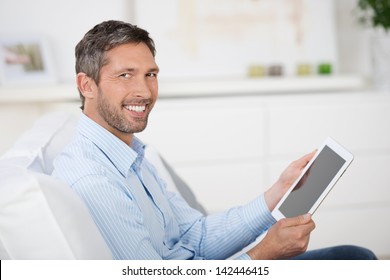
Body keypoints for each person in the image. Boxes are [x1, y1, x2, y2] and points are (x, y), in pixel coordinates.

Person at [52, 20, 376, 260]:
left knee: (353, 256)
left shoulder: (130, 154)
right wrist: (265, 253)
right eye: (126, 75)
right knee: (356, 260)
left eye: (150, 74)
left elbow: (197, 236)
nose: (144, 90)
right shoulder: (94, 178)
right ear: (87, 85)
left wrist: (277, 194)